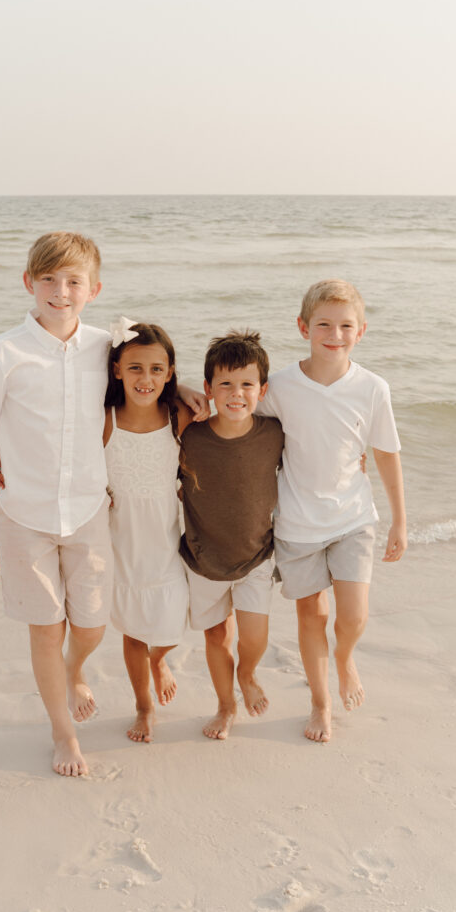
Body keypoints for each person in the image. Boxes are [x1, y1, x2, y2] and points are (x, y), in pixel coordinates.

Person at [0, 232, 112, 778]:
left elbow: (151, 380)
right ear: (29, 283)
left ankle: (75, 669)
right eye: (49, 279)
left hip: (90, 509)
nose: (61, 290)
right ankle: (62, 733)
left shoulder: (106, 347)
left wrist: (187, 390)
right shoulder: (2, 353)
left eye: (74, 281)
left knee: (92, 624)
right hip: (24, 515)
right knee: (45, 626)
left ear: (93, 289)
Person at [258, 279, 406, 743]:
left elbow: (385, 453)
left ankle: (344, 657)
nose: (334, 334)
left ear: (360, 331)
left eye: (345, 326)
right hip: (297, 523)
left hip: (353, 518)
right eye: (323, 324)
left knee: (353, 617)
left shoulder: (372, 388)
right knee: (311, 617)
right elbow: (235, 412)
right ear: (303, 326)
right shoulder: (279, 385)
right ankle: (320, 704)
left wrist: (400, 518)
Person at [179, 331, 284, 740]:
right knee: (217, 636)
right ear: (208, 389)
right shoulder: (189, 436)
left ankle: (248, 673)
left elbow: (317, 452)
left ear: (263, 389)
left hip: (257, 555)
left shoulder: (274, 433)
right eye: (225, 384)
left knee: (254, 634)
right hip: (204, 558)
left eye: (246, 384)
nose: (236, 394)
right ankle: (225, 706)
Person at [103, 319, 192, 743]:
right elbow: (54, 439)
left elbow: (239, 411)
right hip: (122, 540)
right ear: (117, 369)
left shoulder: (181, 414)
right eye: (136, 368)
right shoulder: (104, 419)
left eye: (157, 369)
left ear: (171, 373)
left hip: (167, 538)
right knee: (134, 629)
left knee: (172, 620)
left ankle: (162, 660)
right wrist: (4, 451)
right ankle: (143, 707)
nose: (146, 378)